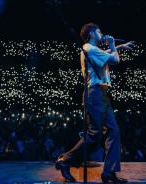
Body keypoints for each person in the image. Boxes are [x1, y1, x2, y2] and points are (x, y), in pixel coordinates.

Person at [55, 22, 134, 183]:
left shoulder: (91, 49)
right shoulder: (89, 48)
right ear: (91, 34)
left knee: (114, 131)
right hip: (95, 94)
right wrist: (113, 44)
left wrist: (119, 47)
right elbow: (114, 60)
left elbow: (105, 54)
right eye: (99, 31)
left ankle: (109, 172)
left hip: (101, 94)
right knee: (94, 135)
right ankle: (66, 161)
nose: (102, 34)